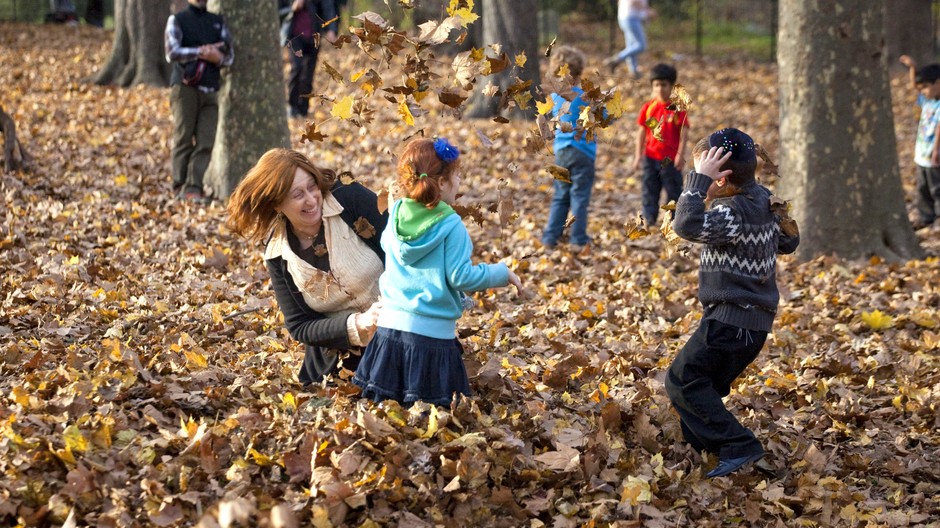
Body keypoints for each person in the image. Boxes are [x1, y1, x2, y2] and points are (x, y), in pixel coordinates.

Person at [666, 128, 800, 478]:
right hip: (753, 324)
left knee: (682, 380)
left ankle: (739, 445)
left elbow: (687, 224)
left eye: (701, 174)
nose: (694, 181)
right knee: (702, 384)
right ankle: (701, 445)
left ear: (720, 180)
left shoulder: (731, 211)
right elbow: (788, 242)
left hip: (730, 321)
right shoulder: (761, 200)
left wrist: (697, 185)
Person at [353, 138, 523, 406]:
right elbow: (461, 277)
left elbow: (388, 246)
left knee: (389, 408)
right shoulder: (451, 225)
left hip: (389, 330)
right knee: (429, 412)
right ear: (441, 183)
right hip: (429, 338)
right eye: (456, 175)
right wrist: (500, 274)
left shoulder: (396, 212)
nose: (459, 182)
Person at [226, 149, 388, 385]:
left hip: (403, 331)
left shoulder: (350, 198)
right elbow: (300, 325)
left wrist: (393, 304)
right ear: (277, 204)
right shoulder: (278, 254)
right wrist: (358, 323)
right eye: (297, 194)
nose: (311, 200)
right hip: (341, 363)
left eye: (312, 187)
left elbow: (404, 248)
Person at [164, 0, 234, 202]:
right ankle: (179, 185)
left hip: (211, 89)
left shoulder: (218, 21)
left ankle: (193, 187)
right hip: (185, 88)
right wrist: (201, 52)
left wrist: (216, 57)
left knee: (206, 141)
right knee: (183, 137)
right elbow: (172, 52)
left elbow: (229, 56)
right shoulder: (177, 20)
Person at [541, 45, 602, 251]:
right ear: (580, 71)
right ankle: (578, 238)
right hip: (583, 153)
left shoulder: (557, 97)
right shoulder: (586, 96)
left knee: (560, 196)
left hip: (562, 153)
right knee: (579, 197)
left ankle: (550, 237)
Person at [633, 63, 689, 226]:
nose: (660, 89)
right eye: (656, 85)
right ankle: (649, 218)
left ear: (671, 86)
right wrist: (638, 156)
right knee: (649, 190)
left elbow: (684, 133)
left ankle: (673, 221)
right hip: (651, 157)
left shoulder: (677, 108)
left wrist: (680, 155)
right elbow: (642, 132)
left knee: (673, 191)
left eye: (664, 85)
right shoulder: (649, 108)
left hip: (670, 159)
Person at [278, 0, 339, 119]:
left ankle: (303, 108)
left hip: (313, 37)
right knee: (297, 68)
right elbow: (278, 11)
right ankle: (292, 106)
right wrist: (293, 7)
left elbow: (328, 7)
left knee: (308, 74)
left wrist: (332, 29)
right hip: (294, 37)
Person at [899, 55, 940, 230]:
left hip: (934, 154)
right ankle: (926, 217)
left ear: (938, 83)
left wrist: (936, 150)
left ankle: (938, 217)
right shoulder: (927, 99)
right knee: (922, 188)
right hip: (922, 154)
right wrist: (912, 68)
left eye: (926, 87)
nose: (922, 91)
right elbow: (915, 85)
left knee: (936, 188)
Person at [604, 0, 653, 78]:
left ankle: (633, 71)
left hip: (627, 17)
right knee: (641, 45)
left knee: (631, 46)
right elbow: (633, 2)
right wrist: (647, 10)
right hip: (631, 18)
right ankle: (617, 58)